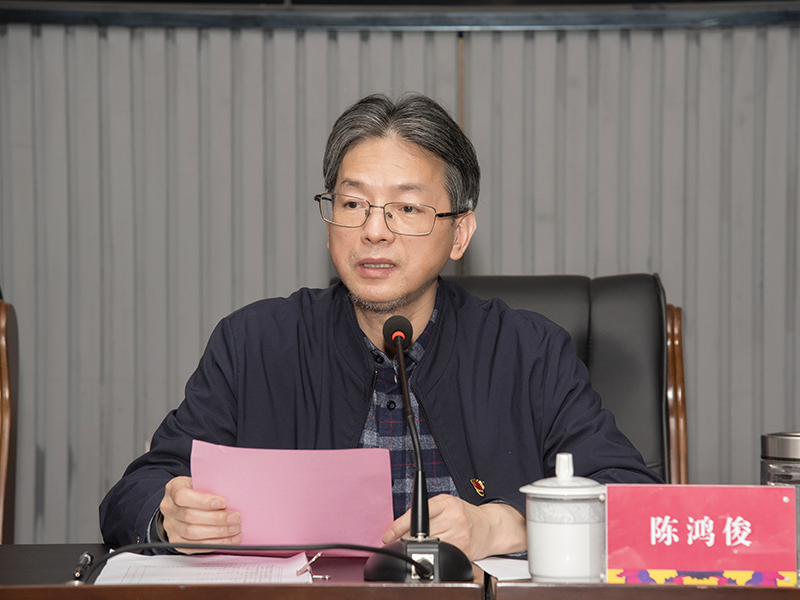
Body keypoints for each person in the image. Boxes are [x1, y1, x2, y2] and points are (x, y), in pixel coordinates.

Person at [99, 93, 661, 561]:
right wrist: (169, 516)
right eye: (353, 204)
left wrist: (504, 525)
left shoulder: (527, 351)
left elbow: (636, 500)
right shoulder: (255, 344)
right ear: (329, 226)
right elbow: (135, 493)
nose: (374, 231)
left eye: (407, 209)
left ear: (460, 234)